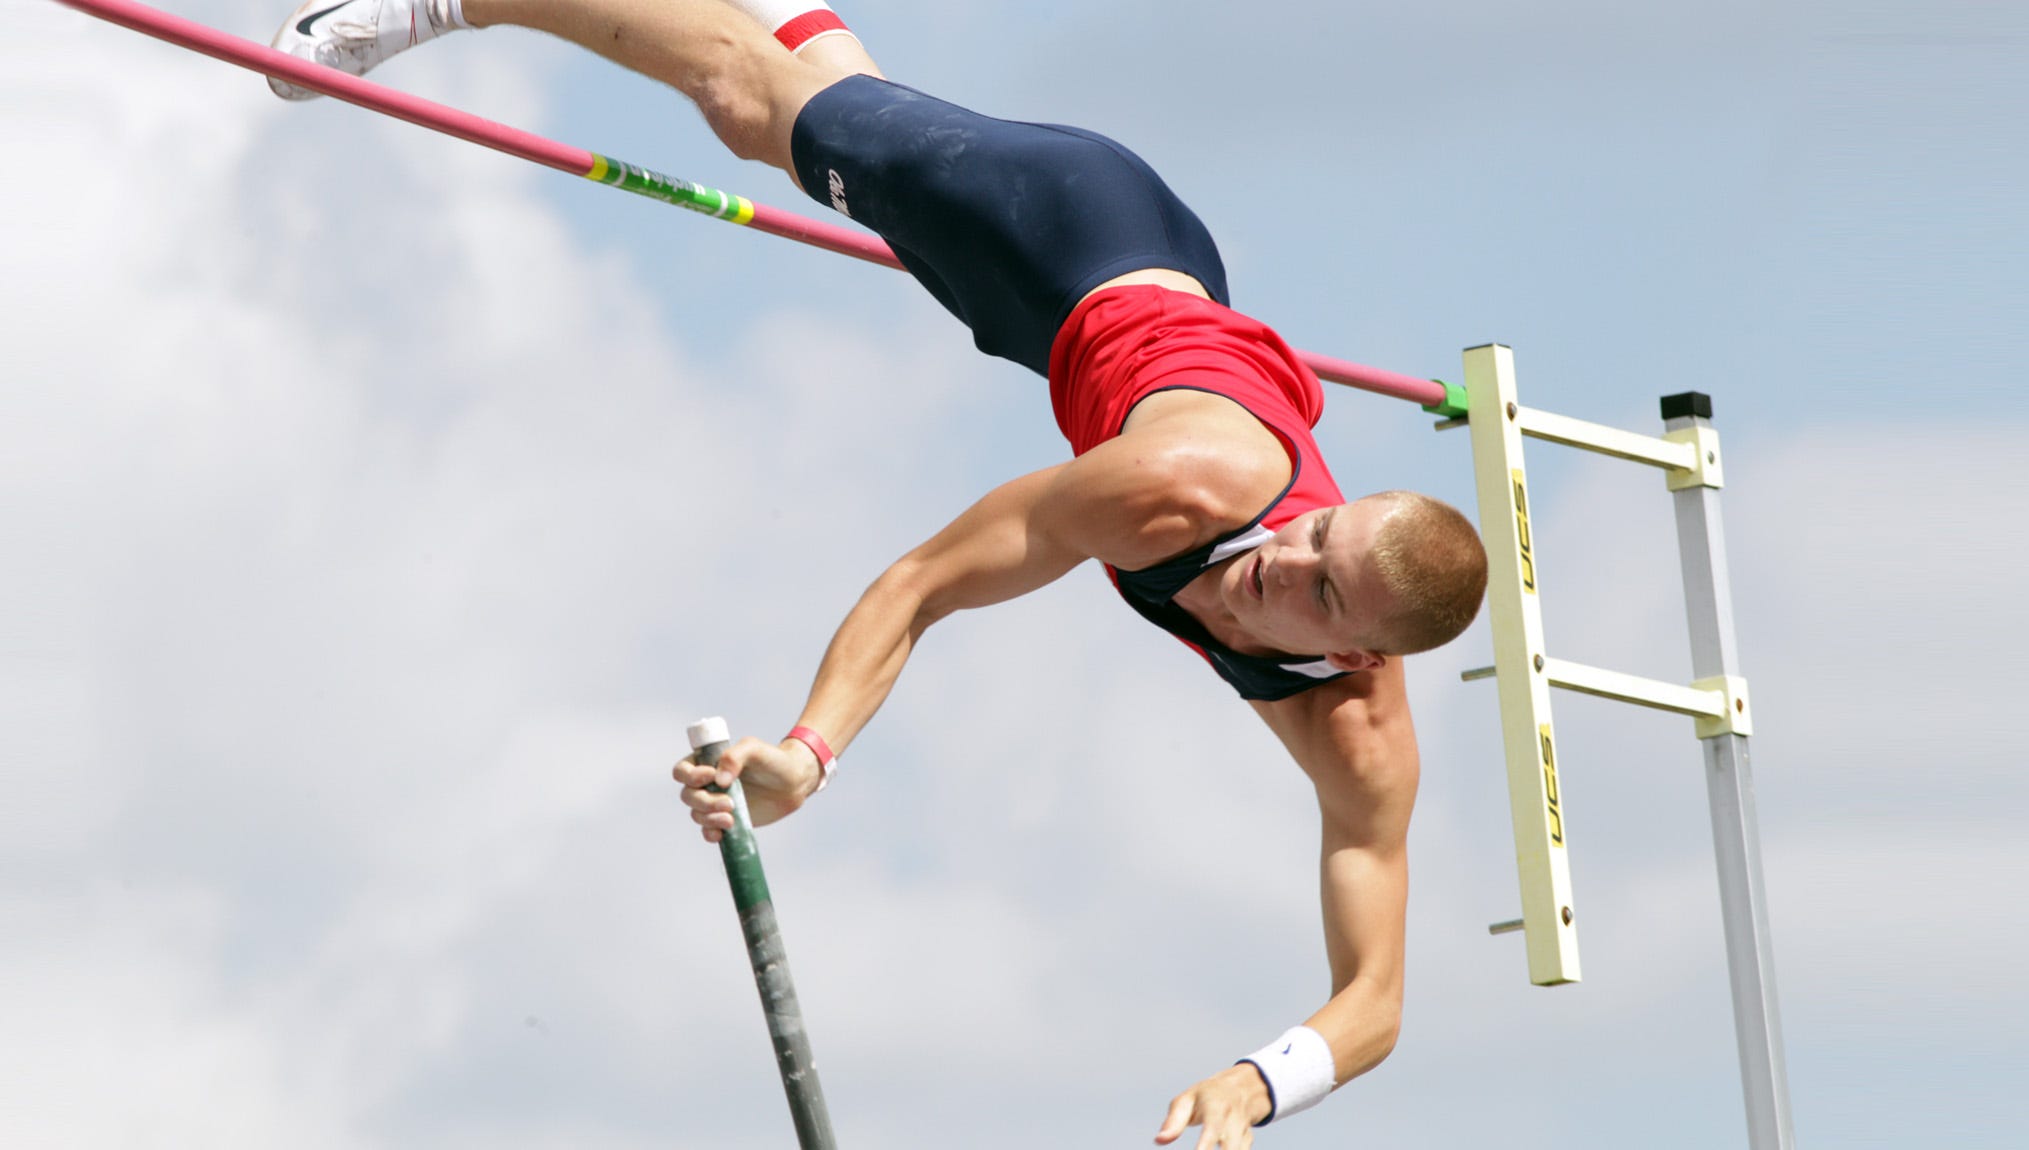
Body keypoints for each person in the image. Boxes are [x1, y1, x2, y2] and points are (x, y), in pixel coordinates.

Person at [268, 1, 1489, 1144]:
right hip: (1061, 231)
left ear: (1359, 653)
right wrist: (810, 751)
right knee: (745, 106)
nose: (1283, 558)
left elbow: (1374, 1002)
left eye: (1320, 590)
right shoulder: (1173, 491)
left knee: (833, 116)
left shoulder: (1359, 737)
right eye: (1315, 535)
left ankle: (803, 28)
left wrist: (1256, 1084)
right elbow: (923, 583)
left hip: (1081, 319)